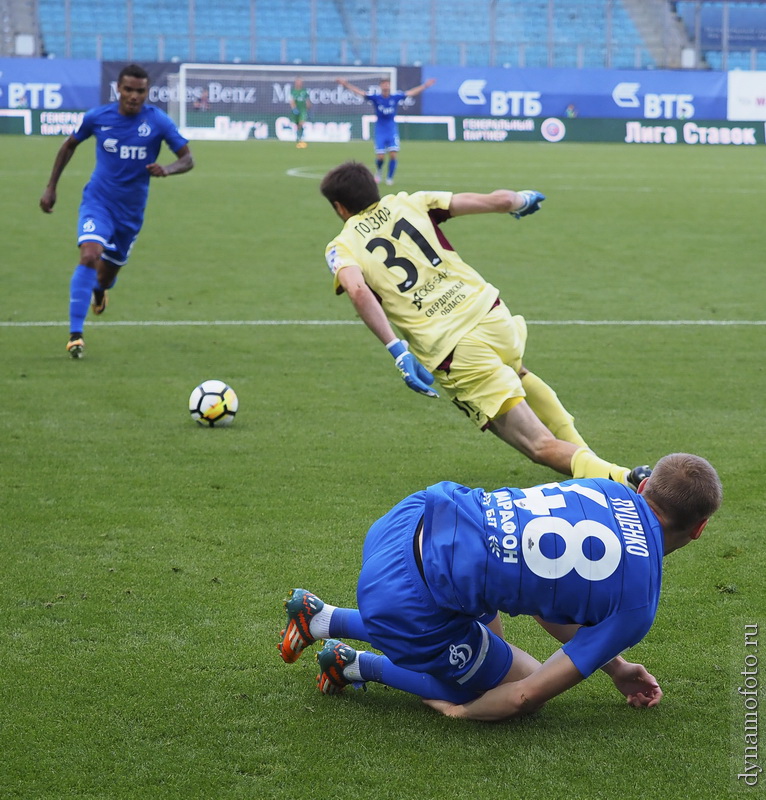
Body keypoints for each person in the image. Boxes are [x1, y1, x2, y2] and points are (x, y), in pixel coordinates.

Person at [278, 453, 722, 721]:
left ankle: (321, 619)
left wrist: (616, 667)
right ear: (699, 529)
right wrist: (464, 712)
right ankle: (351, 663)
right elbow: (527, 695)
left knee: (489, 641)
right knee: (504, 684)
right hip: (403, 596)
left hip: (409, 517)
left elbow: (544, 600)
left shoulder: (600, 488)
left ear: (644, 486)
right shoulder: (638, 603)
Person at [320, 160, 648, 487]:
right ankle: (590, 458)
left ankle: (625, 480)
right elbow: (500, 201)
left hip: (452, 348)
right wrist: (522, 199)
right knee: (518, 372)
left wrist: (398, 350)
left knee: (538, 446)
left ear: (339, 207)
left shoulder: (342, 245)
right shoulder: (412, 201)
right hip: (492, 314)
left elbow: (357, 288)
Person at [40, 63, 194, 359]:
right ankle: (75, 335)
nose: (134, 96)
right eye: (128, 90)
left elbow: (188, 159)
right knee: (88, 254)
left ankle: (100, 290)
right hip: (98, 201)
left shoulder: (158, 122)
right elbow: (68, 146)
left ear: (147, 92)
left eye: (140, 91)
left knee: (106, 276)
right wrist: (51, 187)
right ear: (118, 90)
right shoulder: (98, 117)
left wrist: (168, 169)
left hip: (130, 213)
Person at [336, 76, 435, 184]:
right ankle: (379, 171)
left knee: (393, 154)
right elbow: (360, 92)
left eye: (387, 84)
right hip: (380, 130)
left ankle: (389, 178)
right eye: (384, 84)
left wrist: (425, 86)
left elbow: (411, 93)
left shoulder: (395, 97)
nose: (386, 86)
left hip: (391, 129)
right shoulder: (376, 98)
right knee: (381, 157)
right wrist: (346, 84)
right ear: (380, 86)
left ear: (390, 86)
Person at [290, 77, 311, 148]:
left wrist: (308, 108)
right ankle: (298, 136)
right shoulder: (293, 91)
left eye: (300, 82)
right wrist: (294, 109)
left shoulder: (304, 91)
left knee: (301, 123)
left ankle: (300, 137)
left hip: (302, 110)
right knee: (297, 124)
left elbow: (307, 101)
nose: (299, 83)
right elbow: (292, 101)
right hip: (296, 109)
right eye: (297, 82)